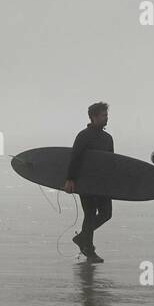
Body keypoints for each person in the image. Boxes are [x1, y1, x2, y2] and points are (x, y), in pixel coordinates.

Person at [63, 101, 113, 263]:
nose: (107, 118)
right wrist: (70, 179)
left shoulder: (107, 138)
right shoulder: (83, 136)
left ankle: (82, 238)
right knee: (90, 215)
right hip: (86, 183)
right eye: (104, 115)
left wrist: (114, 184)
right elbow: (75, 158)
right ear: (94, 117)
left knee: (106, 214)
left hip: (102, 184)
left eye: (107, 115)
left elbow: (112, 162)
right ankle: (88, 250)